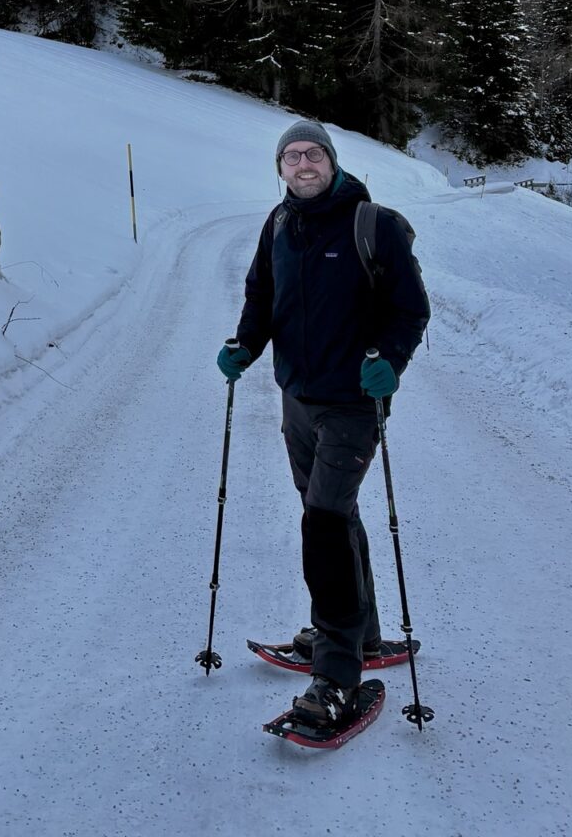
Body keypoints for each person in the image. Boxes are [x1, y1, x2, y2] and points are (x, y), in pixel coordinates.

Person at [217, 119, 430, 730]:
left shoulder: (374, 225)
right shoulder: (279, 224)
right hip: (298, 400)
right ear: (279, 169)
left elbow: (410, 308)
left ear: (332, 162)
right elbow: (262, 297)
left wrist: (390, 362)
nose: (303, 164)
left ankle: (335, 677)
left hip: (353, 403)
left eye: (313, 154)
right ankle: (361, 632)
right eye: (291, 156)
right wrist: (245, 346)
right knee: (332, 512)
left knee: (324, 524)